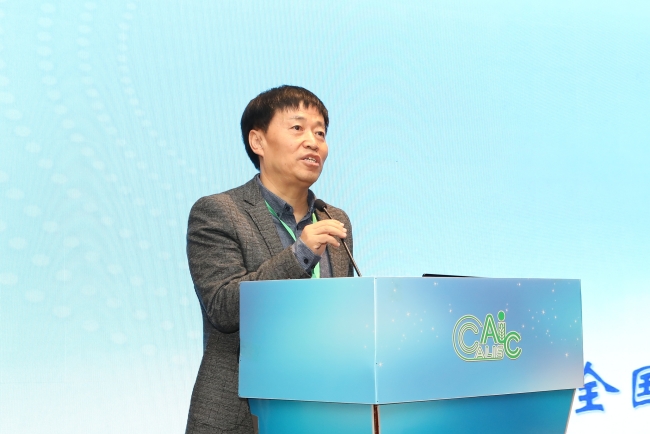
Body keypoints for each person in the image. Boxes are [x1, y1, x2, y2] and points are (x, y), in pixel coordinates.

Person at [184, 85, 354, 434]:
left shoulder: (333, 219)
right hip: (245, 416)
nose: (313, 142)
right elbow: (224, 307)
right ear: (257, 141)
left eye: (320, 133)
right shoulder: (218, 212)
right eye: (298, 128)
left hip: (323, 411)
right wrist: (300, 254)